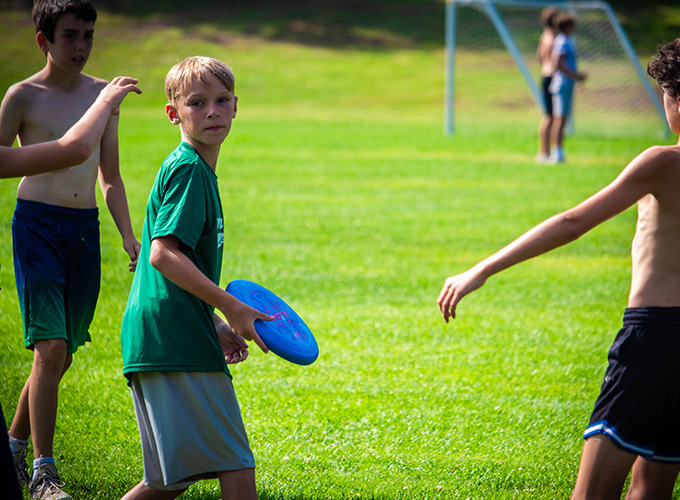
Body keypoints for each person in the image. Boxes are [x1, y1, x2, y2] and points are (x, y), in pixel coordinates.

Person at [437, 38, 680, 499]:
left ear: (675, 99)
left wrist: (484, 268)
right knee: (654, 486)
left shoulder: (663, 162)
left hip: (654, 337)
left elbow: (574, 222)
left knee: (592, 492)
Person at [0, 1, 141, 498]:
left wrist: (128, 232)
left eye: (89, 35)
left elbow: (110, 175)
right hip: (37, 228)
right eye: (70, 36)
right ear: (44, 40)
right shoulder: (22, 96)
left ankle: (13, 447)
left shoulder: (103, 94)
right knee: (50, 346)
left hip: (84, 231)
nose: (81, 46)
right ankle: (44, 472)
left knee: (61, 356)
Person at [119, 56, 273, 500]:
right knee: (237, 465)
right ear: (174, 114)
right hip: (172, 338)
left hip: (169, 333)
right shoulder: (188, 169)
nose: (212, 112)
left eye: (222, 100)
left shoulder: (197, 169)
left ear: (236, 106)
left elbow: (180, 267)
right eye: (197, 102)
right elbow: (163, 256)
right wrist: (229, 304)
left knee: (169, 480)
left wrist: (215, 325)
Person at [548, 12, 587, 163]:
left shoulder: (566, 40)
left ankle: (558, 151)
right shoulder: (562, 41)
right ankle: (556, 152)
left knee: (562, 118)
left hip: (566, 84)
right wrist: (576, 76)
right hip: (562, 85)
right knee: (560, 118)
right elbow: (557, 63)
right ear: (568, 26)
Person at [535, 6, 561, 164]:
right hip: (551, 77)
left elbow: (539, 58)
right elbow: (555, 61)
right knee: (550, 117)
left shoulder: (543, 36)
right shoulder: (553, 38)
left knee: (548, 116)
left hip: (544, 75)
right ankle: (545, 152)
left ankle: (545, 152)